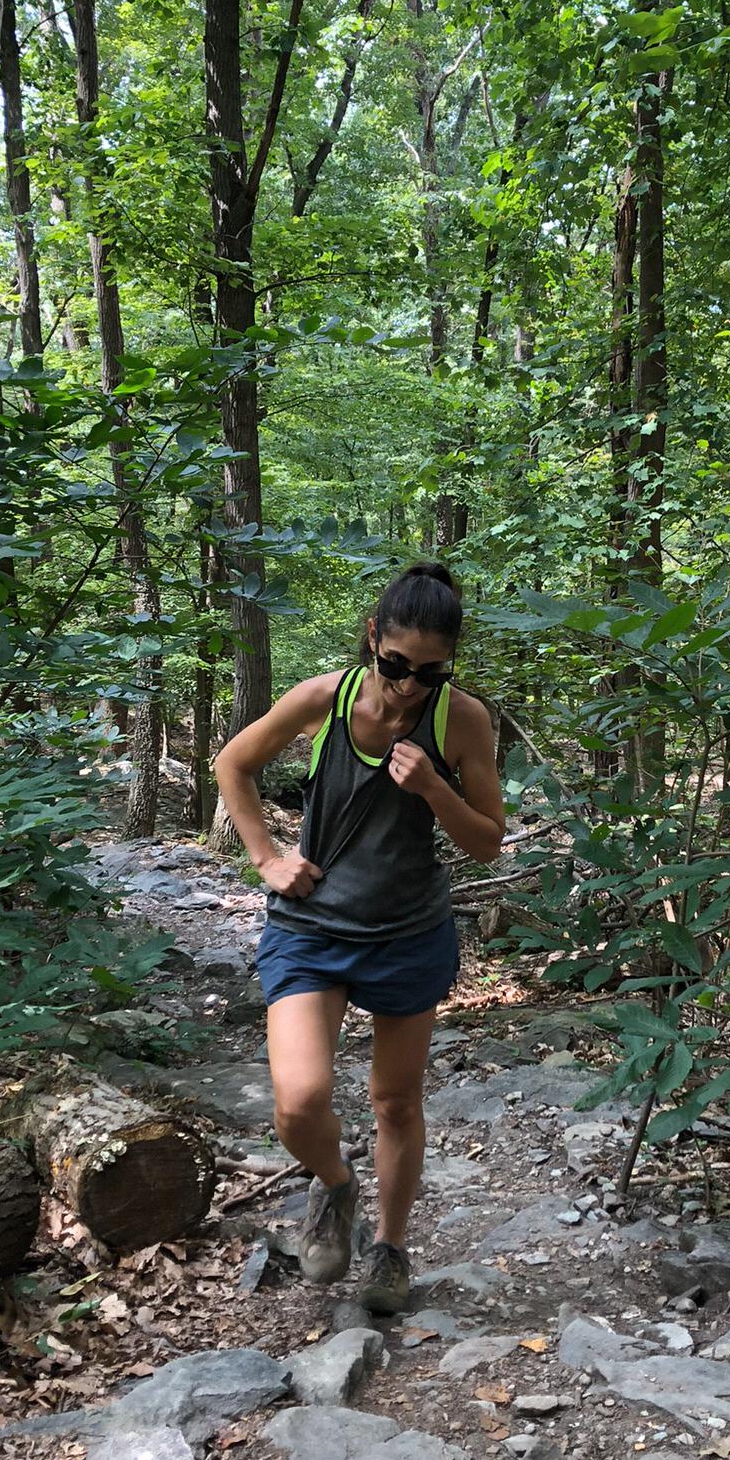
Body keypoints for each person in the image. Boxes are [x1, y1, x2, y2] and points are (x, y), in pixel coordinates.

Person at [214, 562, 505, 1314]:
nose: (409, 686)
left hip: (408, 932)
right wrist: (268, 860)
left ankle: (391, 1248)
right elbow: (233, 764)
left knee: (396, 1103)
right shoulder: (326, 698)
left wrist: (436, 789)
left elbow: (487, 843)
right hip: (311, 928)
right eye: (397, 666)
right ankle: (336, 1186)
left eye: (430, 672)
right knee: (299, 1102)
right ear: (373, 639)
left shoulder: (462, 719)